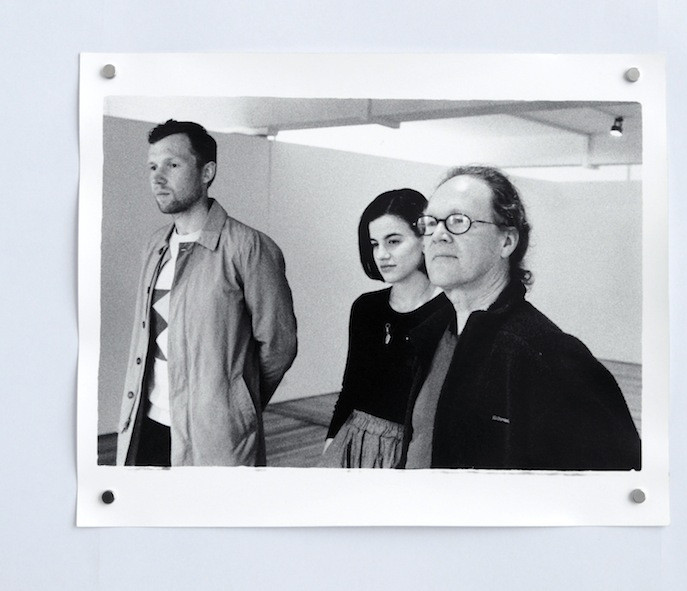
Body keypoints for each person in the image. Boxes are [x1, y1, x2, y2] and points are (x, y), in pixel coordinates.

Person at [400, 165, 641, 470]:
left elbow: (620, 474)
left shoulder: (549, 355)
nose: (438, 235)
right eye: (430, 223)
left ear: (507, 241)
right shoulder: (433, 336)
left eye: (458, 221)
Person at [116, 119, 297, 467]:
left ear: (207, 172)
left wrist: (237, 405)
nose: (158, 177)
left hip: (215, 437)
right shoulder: (155, 245)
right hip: (145, 423)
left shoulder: (249, 247)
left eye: (172, 165)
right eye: (152, 167)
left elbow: (279, 345)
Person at [320, 189, 451, 468]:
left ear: (424, 238)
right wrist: (331, 442)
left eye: (393, 241)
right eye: (374, 244)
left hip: (414, 451)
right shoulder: (366, 307)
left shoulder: (450, 311)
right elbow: (351, 387)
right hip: (356, 440)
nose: (381, 255)